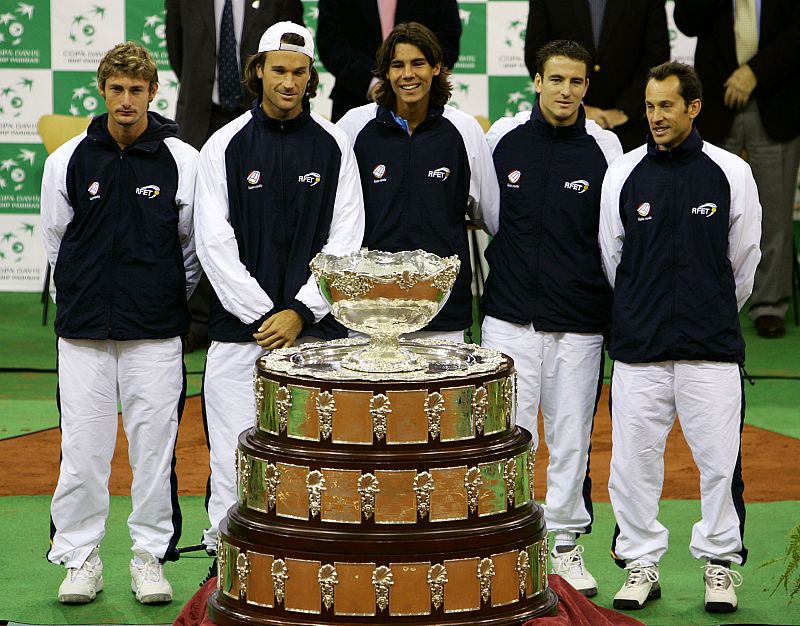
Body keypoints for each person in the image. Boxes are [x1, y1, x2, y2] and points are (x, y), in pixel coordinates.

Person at [194, 22, 364, 563]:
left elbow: (346, 239)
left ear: (310, 77)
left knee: (317, 460)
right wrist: (268, 317)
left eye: (298, 72)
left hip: (315, 339)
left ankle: (314, 561)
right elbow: (211, 240)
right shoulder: (223, 144)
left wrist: (300, 311)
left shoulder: (335, 144)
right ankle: (226, 561)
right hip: (239, 336)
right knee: (232, 456)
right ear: (257, 72)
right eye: (278, 70)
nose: (288, 82)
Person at [40, 41, 200, 605]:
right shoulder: (67, 159)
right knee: (82, 453)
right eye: (117, 89)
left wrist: (156, 297)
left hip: (155, 332)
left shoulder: (184, 161)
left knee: (153, 453)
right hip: (82, 333)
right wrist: (89, 296)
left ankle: (148, 558)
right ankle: (81, 559)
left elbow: (190, 251)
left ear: (153, 93)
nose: (127, 100)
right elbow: (58, 243)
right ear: (103, 91)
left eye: (137, 90)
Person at [599, 61, 761, 612]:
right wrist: (645, 308)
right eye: (648, 106)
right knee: (632, 465)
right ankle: (641, 564)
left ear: (693, 107)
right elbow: (612, 256)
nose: (655, 117)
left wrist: (707, 309)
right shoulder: (622, 173)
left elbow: (743, 262)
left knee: (719, 462)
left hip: (710, 348)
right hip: (639, 349)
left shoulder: (730, 172)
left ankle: (720, 566)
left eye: (666, 106)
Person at [481, 39, 622, 597]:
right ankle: (509, 542)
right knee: (509, 438)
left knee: (570, 439)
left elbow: (612, 238)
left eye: (577, 82)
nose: (567, 91)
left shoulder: (606, 148)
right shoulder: (502, 141)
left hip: (580, 323)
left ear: (588, 85)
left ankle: (564, 545)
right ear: (536, 81)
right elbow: (493, 217)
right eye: (556, 79)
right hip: (510, 319)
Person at [336, 22, 498, 343]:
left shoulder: (464, 130)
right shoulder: (353, 126)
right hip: (368, 309)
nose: (408, 74)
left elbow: (489, 214)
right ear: (385, 72)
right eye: (397, 65)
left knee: (436, 396)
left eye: (418, 63)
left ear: (436, 67)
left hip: (441, 309)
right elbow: (337, 213)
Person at [165, 0, 304, 353]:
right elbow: (177, 51)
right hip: (200, 116)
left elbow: (292, 46)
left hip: (261, 116)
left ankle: (271, 311)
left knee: (264, 213)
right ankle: (198, 319)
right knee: (199, 218)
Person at [673, 0, 800, 339]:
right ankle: (705, 302)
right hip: (716, 108)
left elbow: (795, 34)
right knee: (706, 212)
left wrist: (755, 71)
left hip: (776, 104)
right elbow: (686, 20)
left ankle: (769, 306)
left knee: (774, 213)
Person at [524, 0, 669, 151]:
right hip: (558, 128)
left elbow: (657, 56)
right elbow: (537, 55)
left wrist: (625, 109)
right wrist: (578, 106)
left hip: (631, 129)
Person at [317, 0, 461, 122]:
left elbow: (448, 40)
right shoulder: (349, 126)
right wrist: (372, 83)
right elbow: (330, 42)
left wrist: (419, 72)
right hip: (354, 98)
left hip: (425, 108)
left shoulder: (461, 130)